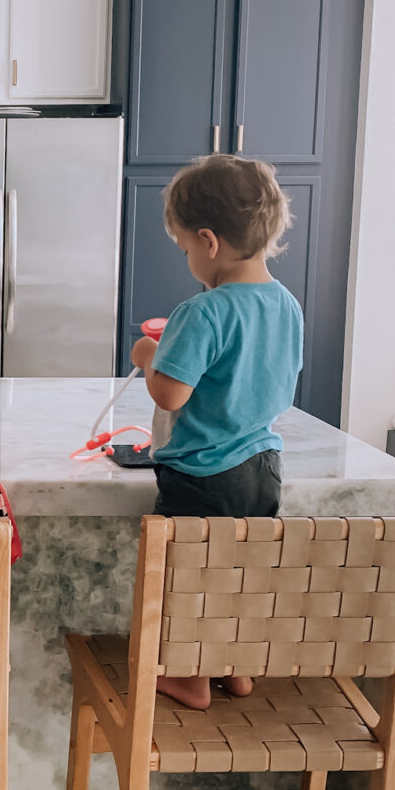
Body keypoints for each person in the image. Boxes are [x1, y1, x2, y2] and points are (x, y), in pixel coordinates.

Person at [131, 154, 302, 711]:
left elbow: (170, 394)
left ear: (208, 241)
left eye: (183, 247)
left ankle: (189, 679)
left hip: (202, 472)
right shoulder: (286, 305)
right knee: (238, 574)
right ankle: (237, 669)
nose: (186, 258)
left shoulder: (201, 312)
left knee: (190, 578)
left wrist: (149, 353)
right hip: (262, 466)